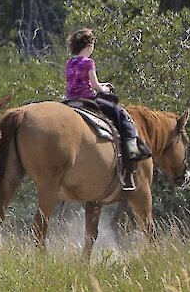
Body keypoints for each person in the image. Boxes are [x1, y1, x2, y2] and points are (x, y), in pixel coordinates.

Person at [65, 28, 151, 190]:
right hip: (87, 99)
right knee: (121, 114)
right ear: (89, 45)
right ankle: (132, 150)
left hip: (70, 100)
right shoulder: (88, 62)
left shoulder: (70, 62)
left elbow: (77, 83)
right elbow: (95, 85)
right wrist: (104, 89)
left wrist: (100, 86)